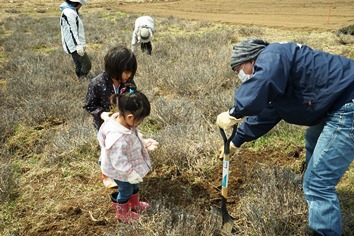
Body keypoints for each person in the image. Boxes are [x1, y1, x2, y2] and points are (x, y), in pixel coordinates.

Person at [216, 38, 354, 235]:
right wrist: (236, 142)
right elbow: (267, 113)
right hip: (334, 103)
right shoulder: (279, 74)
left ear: (251, 60)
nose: (240, 75)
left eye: (239, 68)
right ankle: (313, 193)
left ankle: (322, 219)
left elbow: (262, 83)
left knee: (318, 183)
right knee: (312, 143)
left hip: (348, 103)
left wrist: (234, 112)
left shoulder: (273, 54)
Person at [97, 85, 158, 223]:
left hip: (129, 166)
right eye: (140, 120)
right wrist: (130, 173)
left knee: (135, 185)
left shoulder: (125, 123)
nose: (140, 124)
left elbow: (134, 136)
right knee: (125, 190)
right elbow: (118, 161)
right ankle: (122, 213)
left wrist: (144, 142)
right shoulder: (117, 137)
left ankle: (134, 204)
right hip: (120, 171)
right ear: (130, 117)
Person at [83, 45, 137, 188]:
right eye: (126, 72)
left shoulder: (129, 84)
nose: (129, 76)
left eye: (131, 72)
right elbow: (90, 105)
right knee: (107, 149)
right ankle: (106, 175)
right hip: (105, 126)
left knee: (122, 148)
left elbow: (133, 98)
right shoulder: (97, 83)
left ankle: (121, 170)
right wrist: (103, 114)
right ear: (114, 69)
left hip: (124, 124)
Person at [60, 0, 91, 79]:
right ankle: (82, 79)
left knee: (78, 64)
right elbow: (72, 30)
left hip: (73, 44)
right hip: (74, 45)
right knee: (86, 64)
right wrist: (78, 45)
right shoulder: (69, 13)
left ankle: (79, 79)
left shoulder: (70, 11)